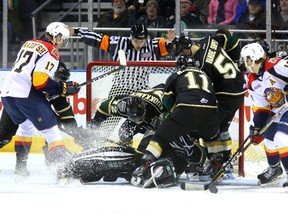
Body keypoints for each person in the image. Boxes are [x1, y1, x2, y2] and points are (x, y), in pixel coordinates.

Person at [0, 22, 80, 172]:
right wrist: (61, 87)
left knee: (25, 127)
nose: (63, 43)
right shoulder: (52, 52)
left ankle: (21, 169)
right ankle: (65, 171)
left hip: (7, 93)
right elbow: (40, 81)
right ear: (57, 37)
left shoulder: (30, 43)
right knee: (51, 130)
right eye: (63, 39)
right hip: (26, 95)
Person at [131, 55, 221, 187]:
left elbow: (167, 102)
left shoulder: (176, 75)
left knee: (160, 137)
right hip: (211, 112)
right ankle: (216, 166)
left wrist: (172, 117)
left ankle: (145, 165)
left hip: (186, 110)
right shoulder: (207, 77)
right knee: (212, 139)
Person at [173, 34, 247, 180]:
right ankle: (227, 165)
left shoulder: (200, 64)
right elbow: (230, 39)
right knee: (223, 128)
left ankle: (217, 164)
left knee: (207, 128)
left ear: (186, 51)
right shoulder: (207, 40)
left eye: (182, 52)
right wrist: (237, 60)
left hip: (226, 94)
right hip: (239, 88)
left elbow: (206, 88)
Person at [0, 62, 79, 176]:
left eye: (61, 80)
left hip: (31, 106)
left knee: (52, 128)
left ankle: (51, 161)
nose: (59, 82)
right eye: (57, 78)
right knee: (4, 135)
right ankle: (21, 166)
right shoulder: (33, 82)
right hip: (18, 102)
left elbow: (65, 112)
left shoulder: (56, 88)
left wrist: (75, 130)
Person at [240, 42, 288, 188]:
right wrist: (258, 126)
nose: (244, 62)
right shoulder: (252, 81)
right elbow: (262, 106)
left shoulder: (276, 66)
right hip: (279, 110)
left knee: (282, 138)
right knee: (269, 138)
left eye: (246, 59)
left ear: (254, 57)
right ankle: (275, 170)